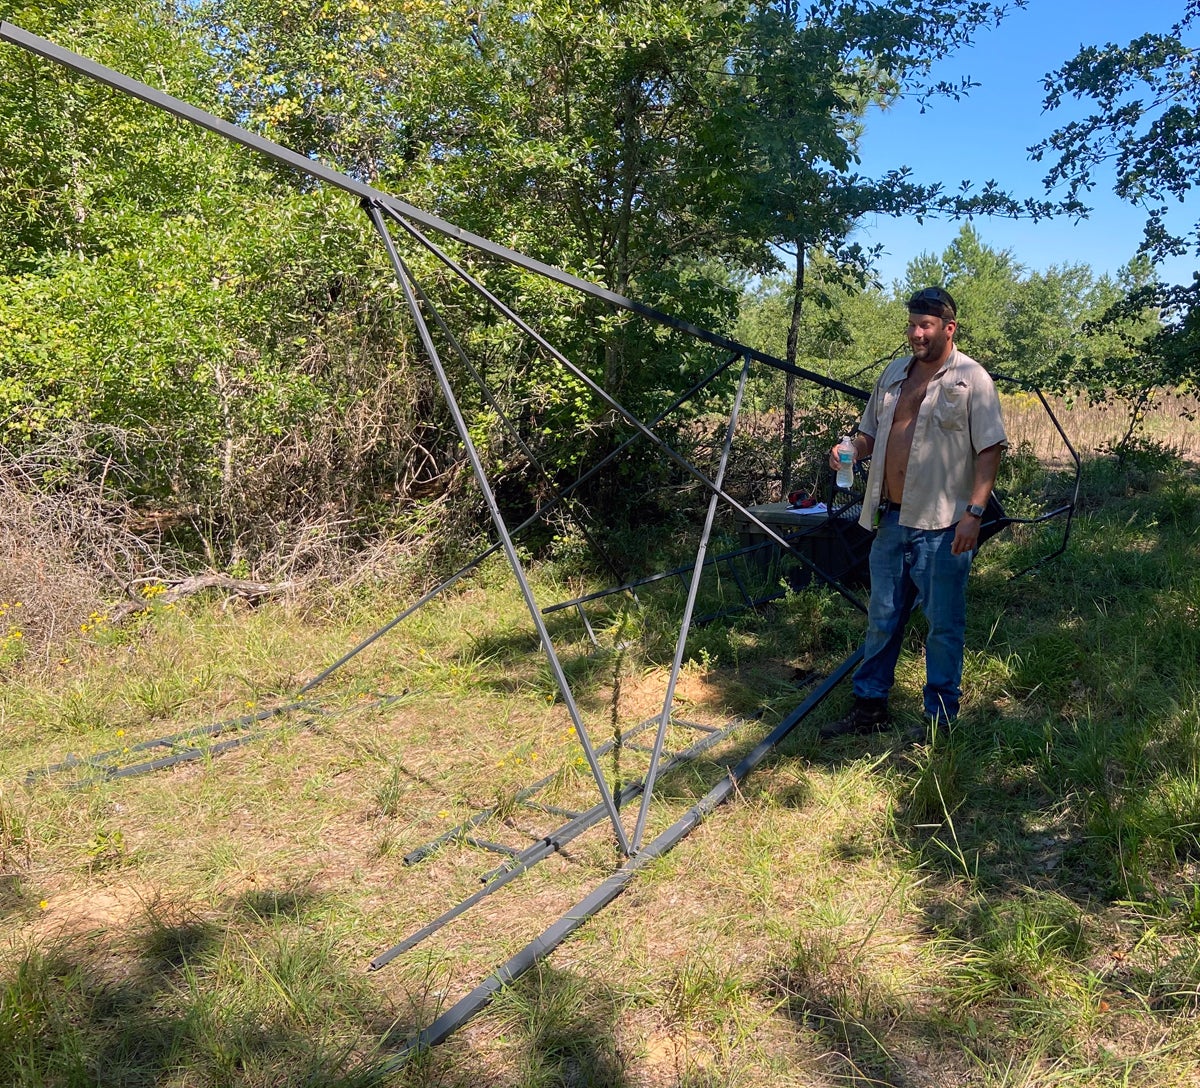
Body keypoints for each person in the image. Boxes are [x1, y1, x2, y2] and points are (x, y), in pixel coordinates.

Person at [819, 286, 1007, 739]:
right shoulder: (894, 375)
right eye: (911, 325)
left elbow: (990, 449)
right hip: (891, 518)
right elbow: (868, 435)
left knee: (943, 624)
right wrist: (849, 451)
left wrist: (974, 512)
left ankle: (940, 722)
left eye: (925, 325)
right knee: (882, 615)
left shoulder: (971, 380)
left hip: (944, 524)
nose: (916, 334)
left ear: (949, 327)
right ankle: (869, 710)